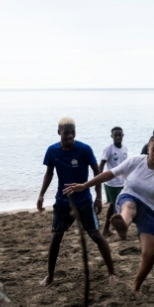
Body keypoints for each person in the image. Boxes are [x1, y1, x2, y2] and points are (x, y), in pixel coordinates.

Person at [64, 135, 154, 296]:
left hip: (150, 210)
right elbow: (110, 174)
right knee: (129, 206)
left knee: (150, 254)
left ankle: (136, 285)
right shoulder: (136, 161)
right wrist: (85, 185)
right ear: (148, 148)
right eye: (153, 149)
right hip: (129, 196)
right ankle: (122, 224)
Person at [37, 118, 116, 286]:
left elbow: (97, 172)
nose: (70, 135)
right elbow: (49, 173)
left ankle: (112, 273)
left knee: (95, 235)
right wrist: (41, 195)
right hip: (62, 202)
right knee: (56, 237)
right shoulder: (52, 151)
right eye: (66, 132)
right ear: (59, 132)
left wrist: (99, 197)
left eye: (73, 131)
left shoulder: (84, 150)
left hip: (83, 202)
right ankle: (50, 276)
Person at [99, 126, 128, 236]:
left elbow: (126, 165)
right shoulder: (108, 149)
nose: (118, 137)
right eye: (115, 135)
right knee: (115, 205)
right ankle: (110, 228)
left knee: (117, 205)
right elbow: (101, 164)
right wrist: (99, 179)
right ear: (112, 136)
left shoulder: (124, 149)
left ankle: (109, 227)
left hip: (122, 182)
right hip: (111, 183)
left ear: (122, 135)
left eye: (120, 135)